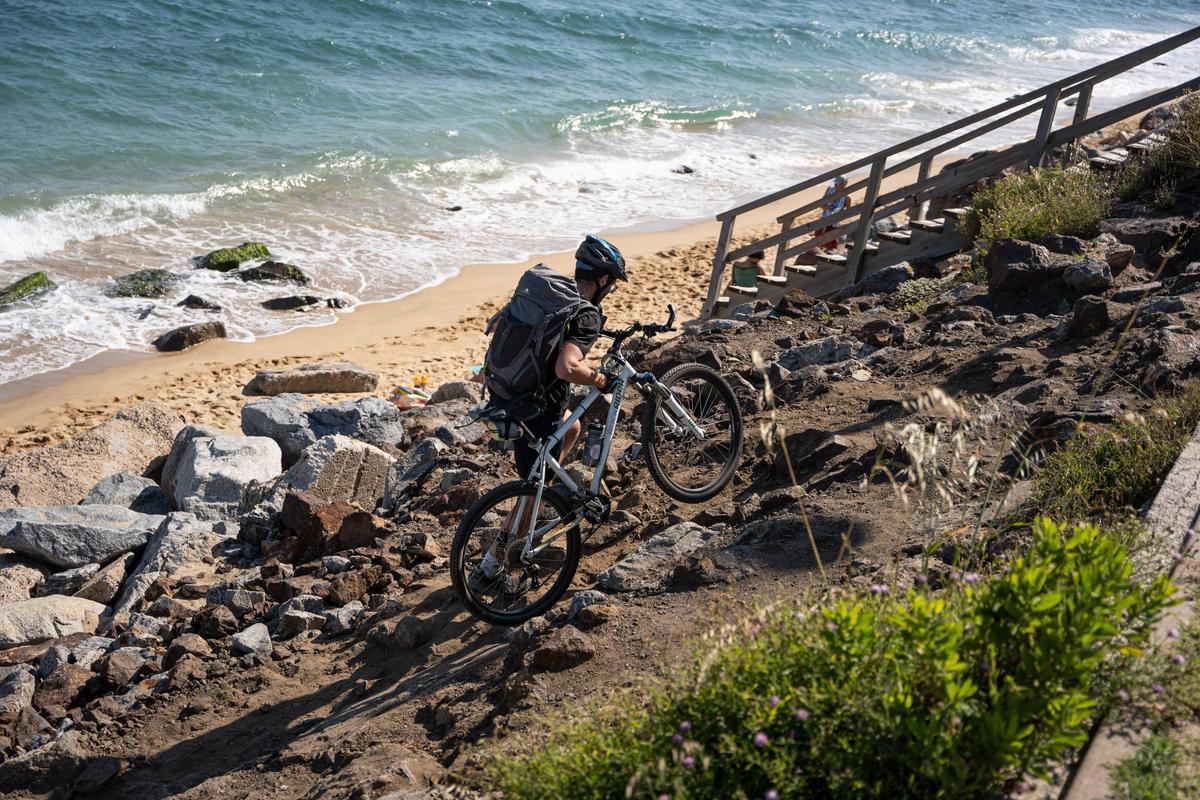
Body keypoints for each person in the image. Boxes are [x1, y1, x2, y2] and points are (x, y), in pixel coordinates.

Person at [469, 235, 627, 594]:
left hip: (510, 399)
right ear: (603, 281)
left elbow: (501, 322)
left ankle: (539, 501)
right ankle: (493, 567)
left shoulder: (549, 293)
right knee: (532, 491)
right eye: (612, 285)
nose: (611, 291)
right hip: (538, 411)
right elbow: (567, 368)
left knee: (571, 431)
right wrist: (600, 378)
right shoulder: (585, 315)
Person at [816, 175, 850, 251]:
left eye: (837, 184)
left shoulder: (847, 198)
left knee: (830, 239)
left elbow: (848, 212)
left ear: (844, 184)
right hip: (825, 216)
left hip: (835, 220)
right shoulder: (829, 190)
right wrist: (826, 207)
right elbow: (821, 204)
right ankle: (819, 250)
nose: (835, 185)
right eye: (835, 183)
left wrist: (840, 212)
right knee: (818, 234)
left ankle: (829, 251)